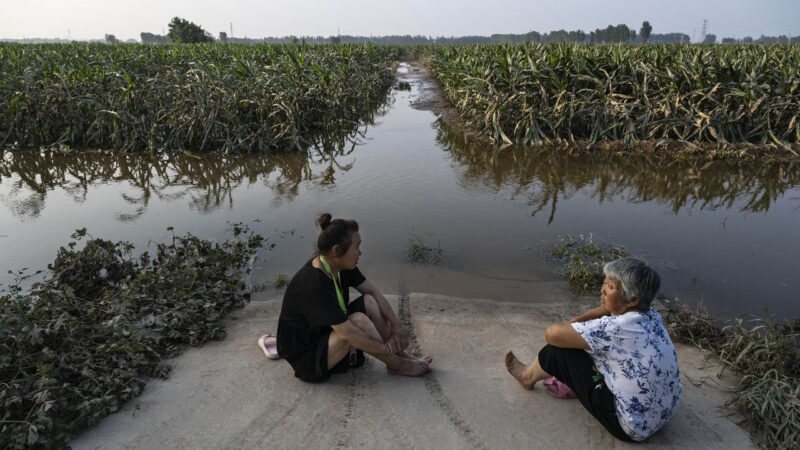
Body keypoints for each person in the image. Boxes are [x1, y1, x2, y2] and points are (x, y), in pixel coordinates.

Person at [504, 257, 682, 442]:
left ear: (632, 299)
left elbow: (553, 334)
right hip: (664, 413)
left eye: (611, 287)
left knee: (556, 352)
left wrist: (589, 315)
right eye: (604, 283)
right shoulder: (651, 315)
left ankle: (527, 376)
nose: (602, 290)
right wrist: (608, 307)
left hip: (629, 426)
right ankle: (578, 385)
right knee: (598, 349)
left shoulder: (615, 327)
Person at [277, 213, 431, 382]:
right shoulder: (315, 284)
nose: (360, 253)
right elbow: (347, 333)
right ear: (336, 250)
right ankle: (396, 364)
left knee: (369, 302)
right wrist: (384, 348)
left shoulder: (339, 264)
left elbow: (373, 292)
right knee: (358, 321)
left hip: (324, 336)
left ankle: (401, 355)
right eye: (356, 247)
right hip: (308, 359)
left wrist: (396, 325)